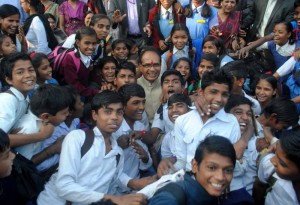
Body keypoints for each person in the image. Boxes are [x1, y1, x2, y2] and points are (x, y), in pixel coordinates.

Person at [37, 91, 148, 205]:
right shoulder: (77, 138)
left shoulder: (117, 152)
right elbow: (64, 186)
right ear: (95, 115)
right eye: (108, 111)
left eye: (119, 112)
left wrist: (134, 183)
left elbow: (115, 176)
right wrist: (115, 199)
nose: (115, 117)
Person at [158, 69, 240, 174]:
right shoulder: (182, 121)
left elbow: (233, 163)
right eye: (213, 92)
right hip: (189, 178)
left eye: (224, 94)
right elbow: (182, 161)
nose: (219, 99)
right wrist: (167, 172)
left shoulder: (231, 122)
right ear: (201, 92)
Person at [149, 135, 236, 205]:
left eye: (228, 170)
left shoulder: (209, 194)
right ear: (194, 166)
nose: (220, 177)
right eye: (212, 168)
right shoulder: (171, 197)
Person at [112, 83, 154, 194]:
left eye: (143, 102)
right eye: (136, 103)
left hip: (136, 187)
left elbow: (146, 166)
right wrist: (116, 145)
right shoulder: (113, 130)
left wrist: (145, 157)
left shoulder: (139, 127)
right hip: (115, 190)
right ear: (123, 107)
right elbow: (108, 170)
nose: (142, 107)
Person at [32, 86, 83, 175]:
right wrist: (53, 149)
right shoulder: (50, 130)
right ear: (69, 111)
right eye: (79, 103)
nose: (83, 104)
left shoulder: (75, 120)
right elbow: (36, 165)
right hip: (46, 172)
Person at [12, 84, 70, 160]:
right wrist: (52, 150)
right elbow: (24, 164)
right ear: (45, 117)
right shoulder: (31, 130)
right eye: (64, 113)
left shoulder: (37, 116)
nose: (68, 114)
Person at [257, 131, 300, 205]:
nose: (272, 160)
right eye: (275, 152)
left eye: (282, 163)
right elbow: (259, 186)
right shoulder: (269, 167)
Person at [0, 53, 36, 133]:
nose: (28, 75)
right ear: (9, 80)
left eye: (31, 70)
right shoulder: (8, 100)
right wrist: (41, 135)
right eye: (20, 72)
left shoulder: (24, 97)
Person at [60, 27, 99, 98]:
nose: (91, 47)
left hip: (84, 90)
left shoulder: (89, 56)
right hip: (72, 95)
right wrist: (96, 92)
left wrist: (103, 83)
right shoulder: (70, 59)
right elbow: (74, 86)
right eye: (87, 43)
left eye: (94, 43)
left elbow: (91, 75)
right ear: (78, 43)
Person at [185, 0, 218, 67]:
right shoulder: (183, 8)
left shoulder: (213, 11)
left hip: (202, 47)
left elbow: (213, 32)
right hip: (185, 45)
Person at [160, 93, 192, 159]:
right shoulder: (168, 138)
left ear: (189, 109)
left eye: (180, 106)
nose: (174, 110)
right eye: (170, 107)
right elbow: (166, 161)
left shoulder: (198, 130)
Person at [137, 47, 162, 124]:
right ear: (140, 67)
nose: (152, 69)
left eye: (156, 65)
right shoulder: (135, 86)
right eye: (147, 65)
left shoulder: (167, 85)